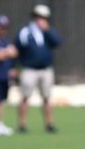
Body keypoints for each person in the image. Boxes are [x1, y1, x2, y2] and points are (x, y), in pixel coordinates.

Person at [15, 4, 62, 133]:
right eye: (39, 17)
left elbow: (57, 42)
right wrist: (14, 67)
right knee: (25, 97)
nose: (42, 20)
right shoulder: (25, 32)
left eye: (44, 17)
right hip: (29, 69)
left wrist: (47, 31)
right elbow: (17, 49)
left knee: (46, 97)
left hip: (46, 69)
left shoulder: (48, 32)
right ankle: (22, 124)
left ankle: (49, 124)